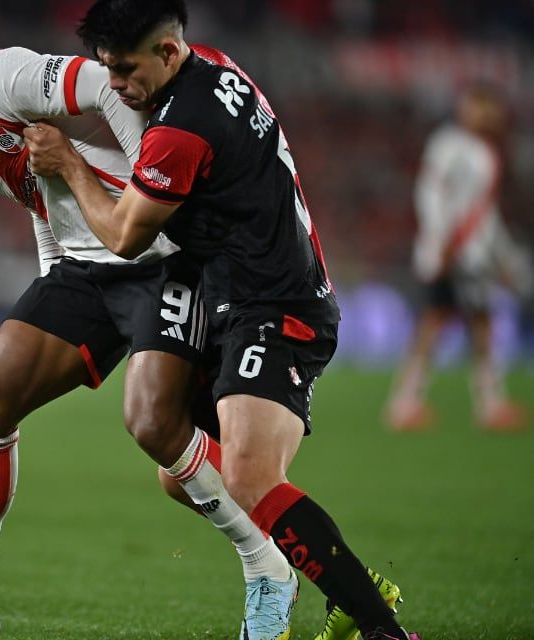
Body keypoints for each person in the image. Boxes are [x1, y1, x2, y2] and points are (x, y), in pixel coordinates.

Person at [0, 6, 300, 640]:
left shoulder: (0, 80)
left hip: (161, 260)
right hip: (84, 269)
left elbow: (97, 84)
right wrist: (51, 274)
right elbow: (42, 196)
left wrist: (145, 176)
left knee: (156, 427)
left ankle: (266, 566)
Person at [22, 1, 418, 639]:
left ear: (169, 53)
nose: (115, 86)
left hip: (277, 306)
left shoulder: (183, 126)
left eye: (125, 70)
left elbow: (125, 235)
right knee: (182, 472)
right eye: (106, 69)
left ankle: (380, 626)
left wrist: (68, 163)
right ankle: (346, 583)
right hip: (230, 293)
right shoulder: (215, 66)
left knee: (251, 476)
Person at [385, 84, 530, 432]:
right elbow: (431, 192)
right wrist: (440, 241)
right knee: (437, 321)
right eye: (479, 106)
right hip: (450, 252)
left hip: (473, 255)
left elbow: (486, 213)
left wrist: (503, 257)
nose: (485, 114)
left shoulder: (487, 152)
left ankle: (486, 402)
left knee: (479, 322)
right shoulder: (447, 144)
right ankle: (407, 402)